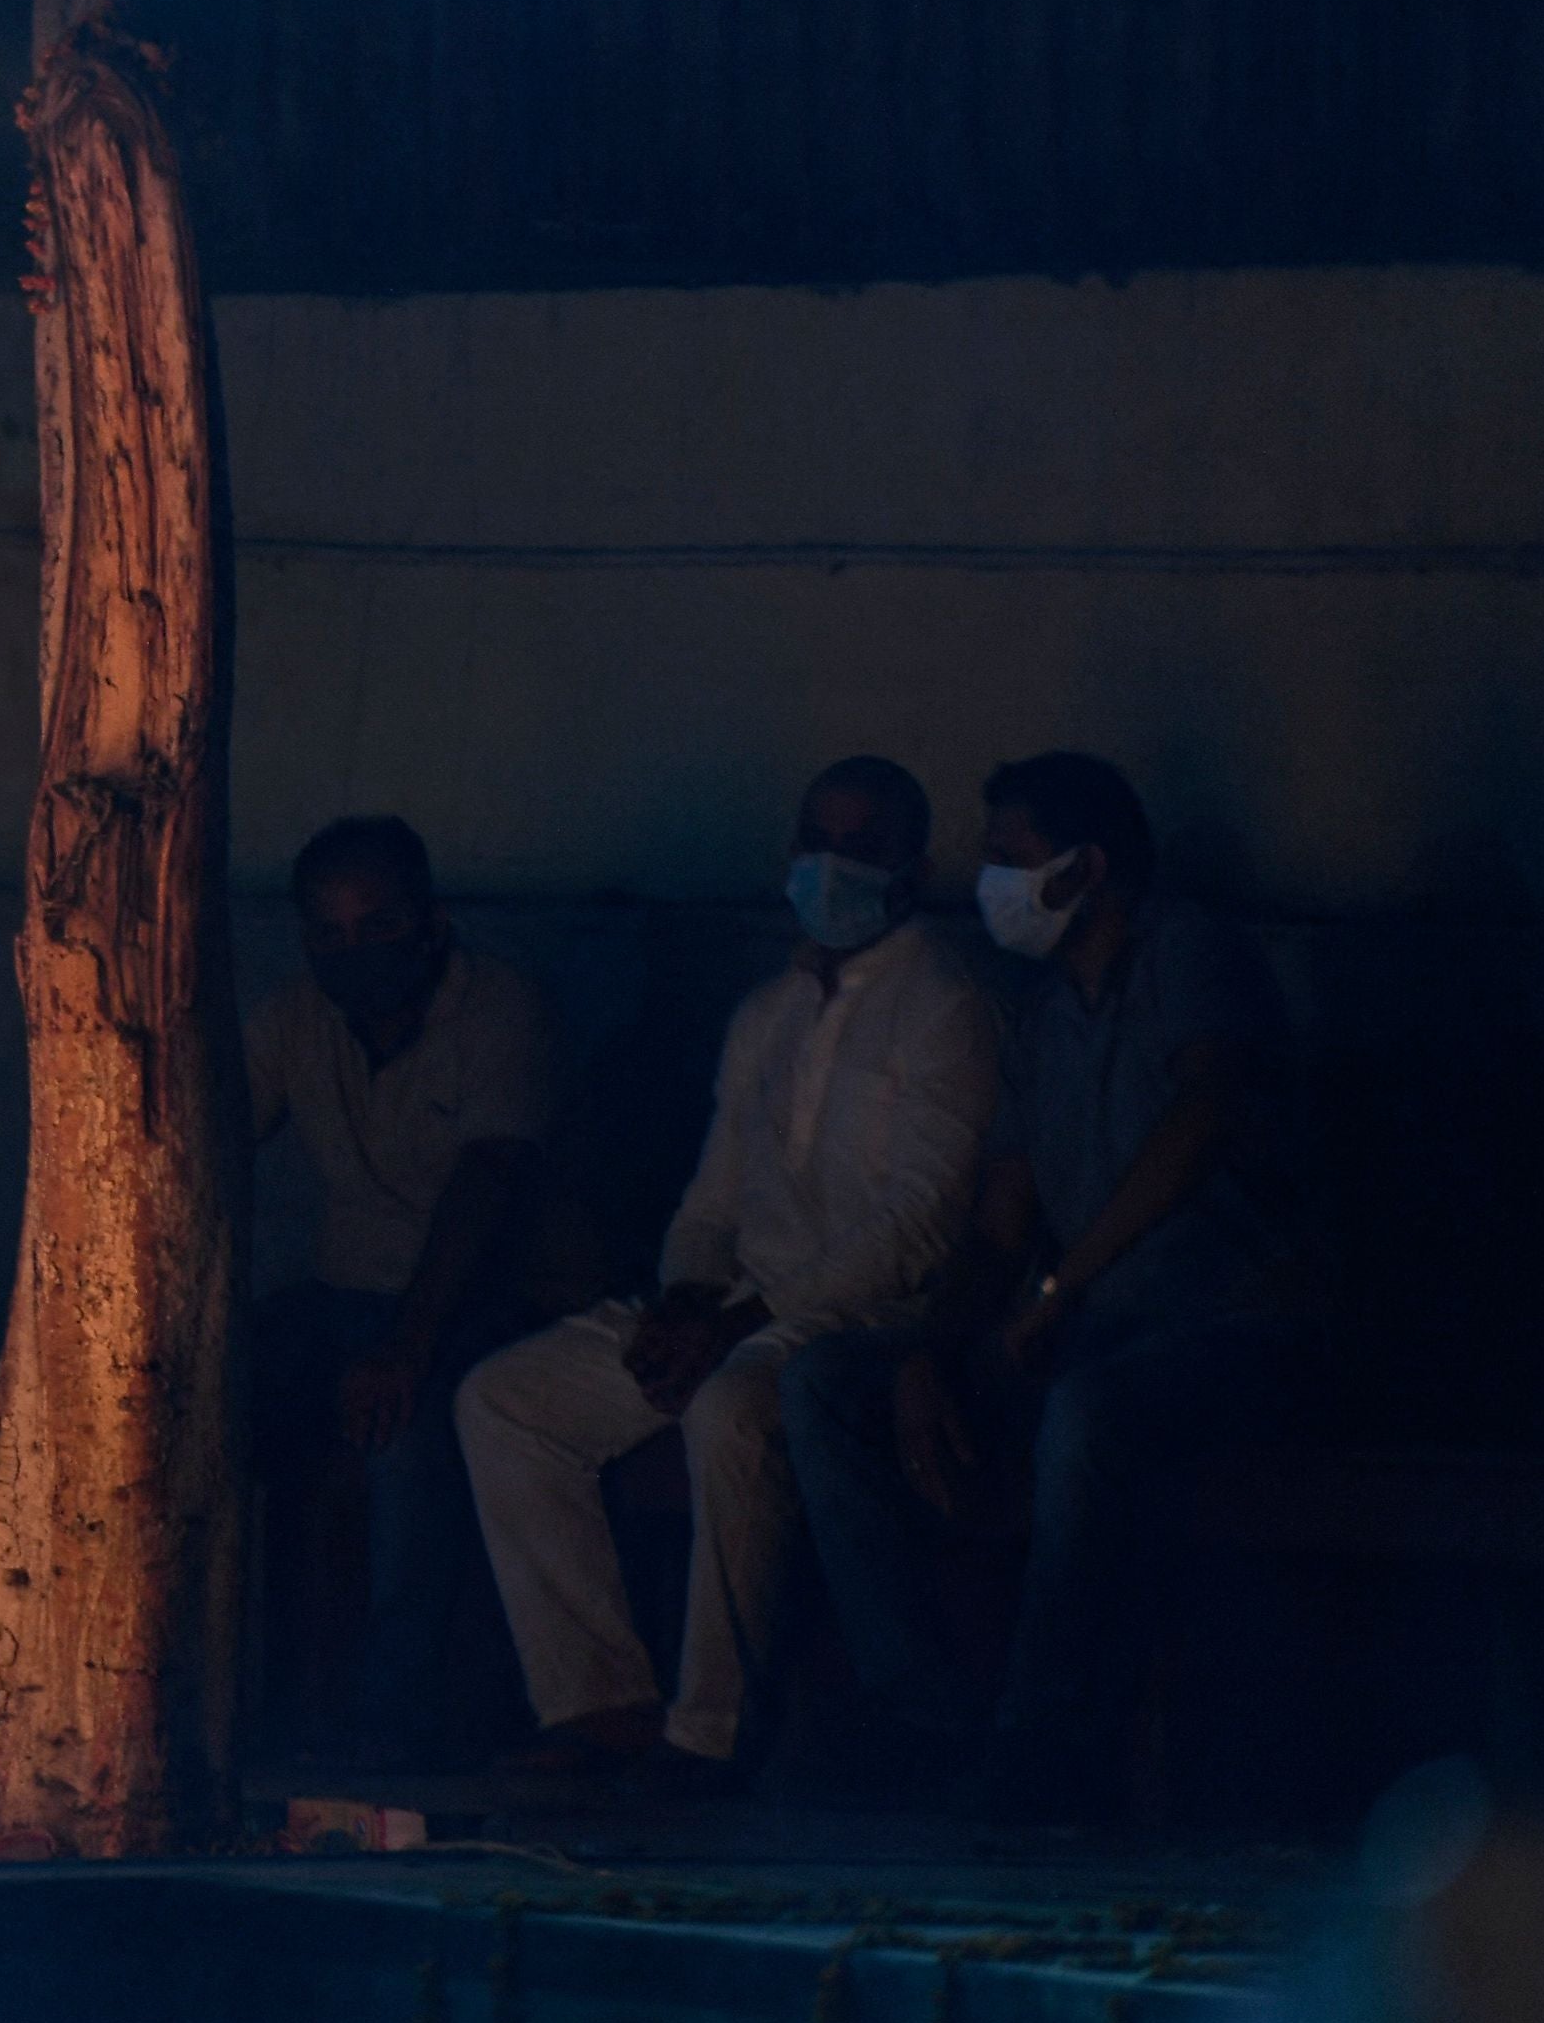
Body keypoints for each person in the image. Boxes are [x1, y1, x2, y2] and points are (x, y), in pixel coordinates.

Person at [456, 757, 997, 1788]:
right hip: (737, 1306)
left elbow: (914, 1231)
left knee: (731, 1406)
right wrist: (684, 1302)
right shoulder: (769, 1014)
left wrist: (739, 1322)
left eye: (861, 846)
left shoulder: (946, 1009)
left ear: (913, 870)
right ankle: (599, 1703)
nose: (830, 866)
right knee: (506, 1401)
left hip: (861, 1325)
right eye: (816, 840)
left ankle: (711, 1733)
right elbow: (712, 1200)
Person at [782, 751, 1302, 1821]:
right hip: (1089, 1326)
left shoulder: (1188, 952)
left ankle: (1041, 1747)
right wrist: (933, 1347)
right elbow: (1000, 1218)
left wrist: (1062, 1289)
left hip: (1228, 1327)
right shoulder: (1040, 1016)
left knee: (1089, 1412)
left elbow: (1200, 1121)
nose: (992, 889)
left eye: (1010, 862)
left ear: (1087, 868)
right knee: (833, 1380)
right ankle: (921, 1712)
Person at [246, 814, 556, 1764]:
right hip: (341, 1296)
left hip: (472, 1307)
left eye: (376, 927)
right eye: (329, 933)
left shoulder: (499, 1009)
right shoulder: (298, 1016)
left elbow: (484, 1190)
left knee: (406, 1444)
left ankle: (395, 1724)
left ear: (429, 921)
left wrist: (406, 1351)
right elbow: (210, 1144)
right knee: (205, 1402)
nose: (354, 952)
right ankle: (236, 1702)